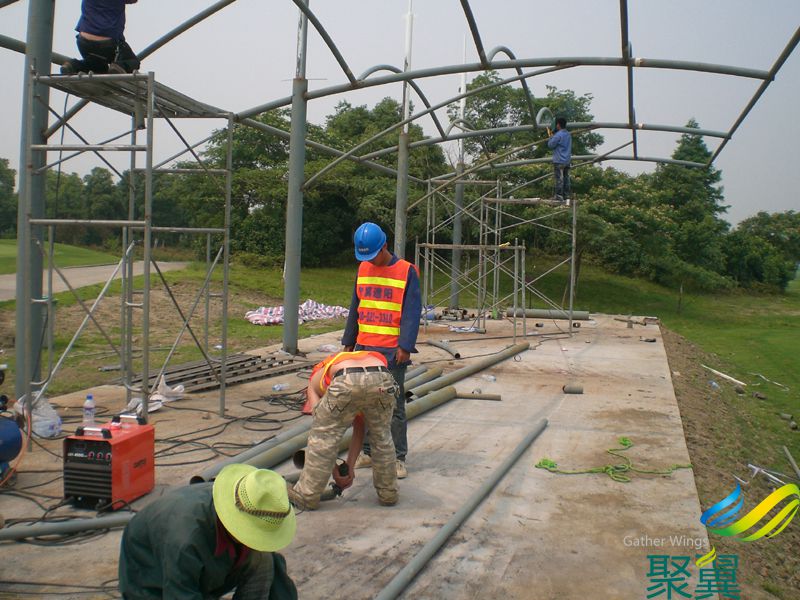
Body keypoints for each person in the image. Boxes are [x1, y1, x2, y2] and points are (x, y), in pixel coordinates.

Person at [119, 465, 298, 599]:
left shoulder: (245, 505)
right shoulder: (185, 541)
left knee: (264, 560)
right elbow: (179, 593)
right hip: (149, 578)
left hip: (197, 559)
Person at [341, 222, 421, 480]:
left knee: (394, 406)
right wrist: (348, 341)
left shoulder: (406, 271)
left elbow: (411, 311)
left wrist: (405, 346)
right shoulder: (363, 267)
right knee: (363, 404)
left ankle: (398, 457)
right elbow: (356, 306)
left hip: (391, 352)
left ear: (384, 246)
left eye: (372, 255)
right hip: (364, 348)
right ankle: (366, 452)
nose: (369, 260)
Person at [288, 350, 399, 510]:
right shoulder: (345, 360)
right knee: (382, 436)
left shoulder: (314, 382)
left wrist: (334, 470)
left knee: (323, 436)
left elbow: (323, 436)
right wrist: (349, 468)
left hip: (346, 378)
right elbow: (360, 428)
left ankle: (306, 496)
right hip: (382, 379)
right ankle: (388, 493)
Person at [61, 0, 141, 75]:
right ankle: (118, 67)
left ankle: (73, 65)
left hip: (83, 41)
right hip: (108, 44)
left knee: (98, 67)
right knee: (133, 61)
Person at [547, 117, 572, 203]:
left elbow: (550, 145)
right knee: (566, 178)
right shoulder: (568, 134)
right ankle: (566, 195)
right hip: (567, 160)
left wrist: (551, 136)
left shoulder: (558, 135)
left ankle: (558, 196)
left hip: (559, 160)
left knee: (559, 179)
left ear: (558, 125)